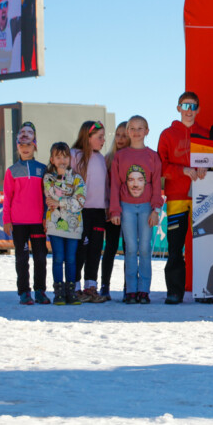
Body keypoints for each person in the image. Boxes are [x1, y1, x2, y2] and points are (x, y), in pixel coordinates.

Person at [158, 92, 209, 304]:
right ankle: (175, 291)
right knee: (175, 245)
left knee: (206, 243)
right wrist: (183, 170)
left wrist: (208, 166)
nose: (189, 110)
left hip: (203, 197)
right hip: (177, 197)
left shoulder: (205, 134)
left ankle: (207, 289)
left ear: (197, 110)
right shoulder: (168, 134)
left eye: (193, 106)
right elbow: (161, 166)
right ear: (178, 108)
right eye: (185, 106)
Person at [109, 116, 163, 304]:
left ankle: (144, 291)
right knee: (131, 249)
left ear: (147, 131)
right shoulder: (120, 156)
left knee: (145, 249)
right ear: (128, 131)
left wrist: (156, 210)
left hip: (147, 207)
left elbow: (156, 185)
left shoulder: (152, 156)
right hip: (127, 207)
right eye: (132, 128)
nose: (136, 132)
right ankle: (131, 290)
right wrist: (115, 210)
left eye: (141, 128)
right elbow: (115, 185)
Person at [3, 122, 47, 305]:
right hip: (19, 222)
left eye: (28, 145)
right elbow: (7, 197)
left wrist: (46, 217)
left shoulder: (43, 169)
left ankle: (40, 291)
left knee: (40, 258)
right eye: (21, 145)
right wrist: (7, 220)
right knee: (22, 258)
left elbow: (46, 196)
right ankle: (24, 292)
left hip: (38, 221)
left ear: (34, 145)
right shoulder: (12, 171)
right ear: (17, 147)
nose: (25, 148)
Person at [43, 141, 85, 306]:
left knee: (71, 259)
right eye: (58, 157)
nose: (62, 160)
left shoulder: (77, 179)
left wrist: (59, 202)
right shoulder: (49, 178)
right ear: (52, 159)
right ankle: (59, 292)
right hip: (55, 226)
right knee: (58, 258)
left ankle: (71, 291)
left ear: (70, 158)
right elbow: (50, 193)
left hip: (74, 227)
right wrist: (67, 198)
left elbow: (79, 202)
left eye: (65, 156)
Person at [70, 120, 107, 303]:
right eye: (99, 137)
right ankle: (75, 287)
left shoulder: (100, 158)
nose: (103, 140)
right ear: (88, 137)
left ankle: (91, 286)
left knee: (95, 250)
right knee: (80, 251)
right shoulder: (74, 155)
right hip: (80, 212)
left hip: (99, 212)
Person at [100, 121, 129, 300]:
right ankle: (105, 286)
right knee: (110, 248)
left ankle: (129, 286)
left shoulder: (134, 158)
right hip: (112, 211)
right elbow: (104, 187)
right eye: (117, 135)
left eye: (124, 135)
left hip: (130, 211)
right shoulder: (108, 159)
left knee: (129, 250)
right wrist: (109, 209)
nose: (120, 139)